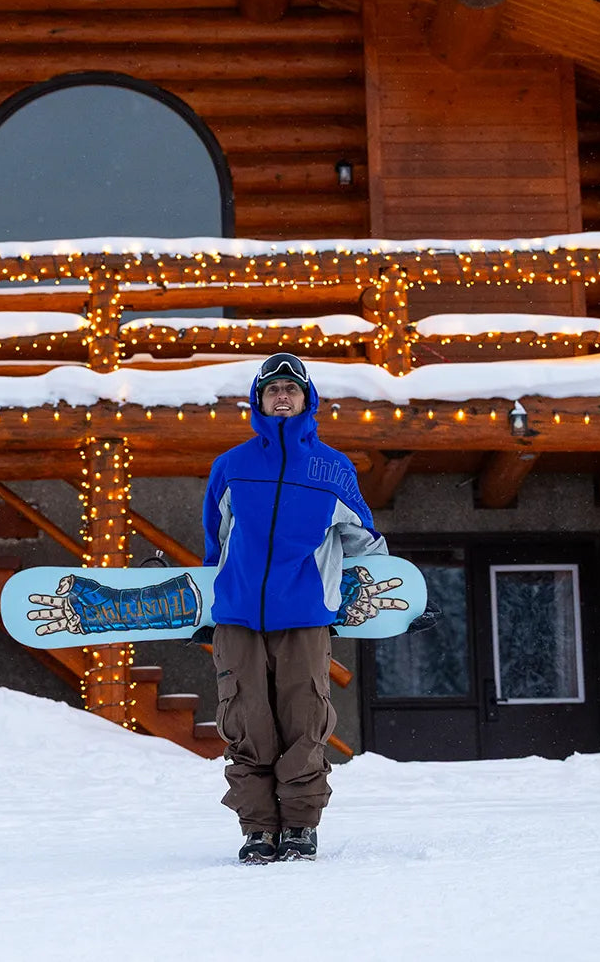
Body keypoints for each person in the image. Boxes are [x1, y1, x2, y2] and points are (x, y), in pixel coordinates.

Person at [202, 353, 387, 863]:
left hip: (306, 614)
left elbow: (364, 543)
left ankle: (300, 825)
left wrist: (398, 599)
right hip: (238, 616)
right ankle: (259, 828)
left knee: (305, 720)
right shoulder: (232, 467)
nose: (282, 395)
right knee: (245, 720)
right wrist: (207, 611)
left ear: (308, 400)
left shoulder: (332, 468)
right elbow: (215, 546)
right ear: (258, 401)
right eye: (272, 389)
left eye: (291, 388)